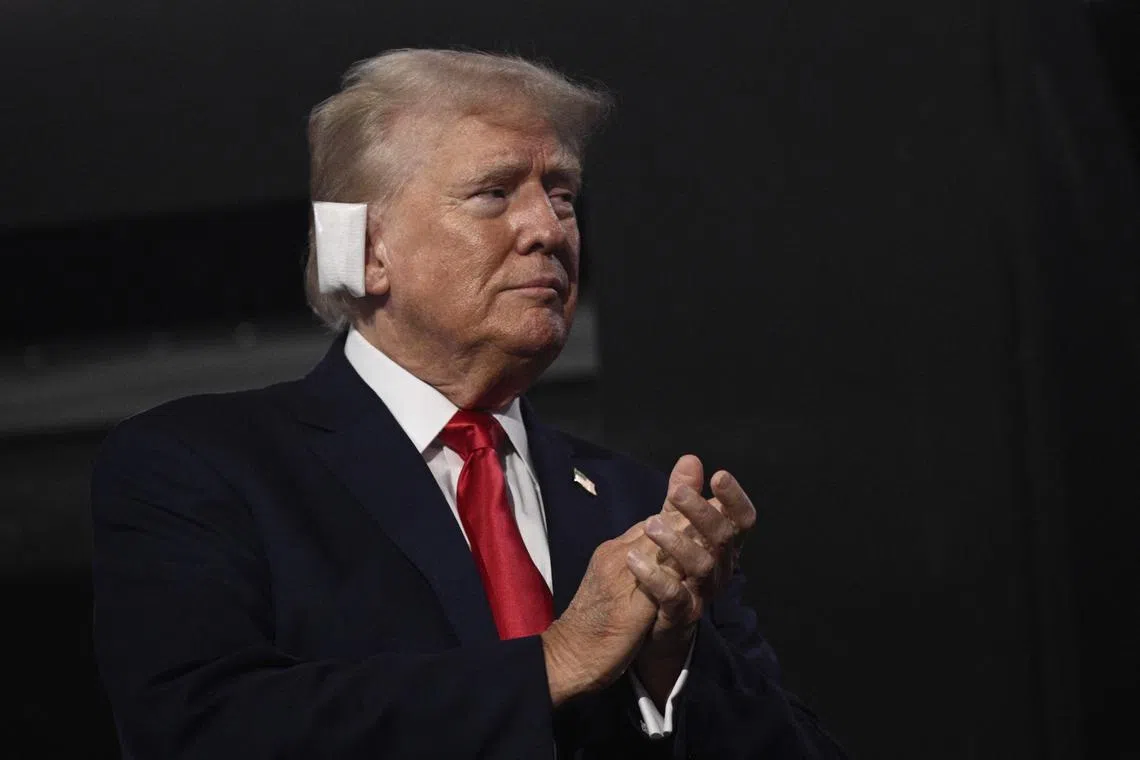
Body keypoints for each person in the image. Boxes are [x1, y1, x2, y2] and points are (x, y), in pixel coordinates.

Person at [91, 49, 846, 758]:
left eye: (563, 195)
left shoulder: (643, 510)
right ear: (369, 251)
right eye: (494, 193)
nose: (550, 229)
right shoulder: (201, 467)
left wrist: (672, 667)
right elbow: (198, 731)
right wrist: (556, 660)